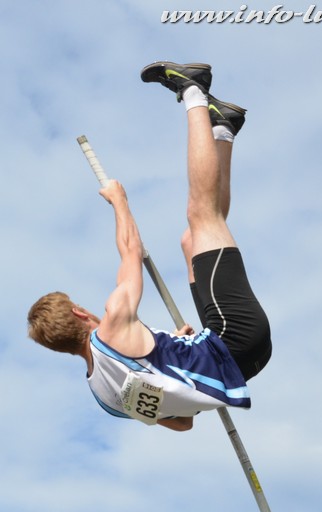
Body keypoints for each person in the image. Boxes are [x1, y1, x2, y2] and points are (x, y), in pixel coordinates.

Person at [27, 62, 272, 432]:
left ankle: (222, 128)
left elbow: (181, 423)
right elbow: (131, 251)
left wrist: (180, 355)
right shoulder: (112, 322)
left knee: (193, 243)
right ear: (78, 312)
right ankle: (194, 92)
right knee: (202, 216)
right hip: (234, 335)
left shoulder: (104, 396)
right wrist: (119, 202)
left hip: (242, 361)